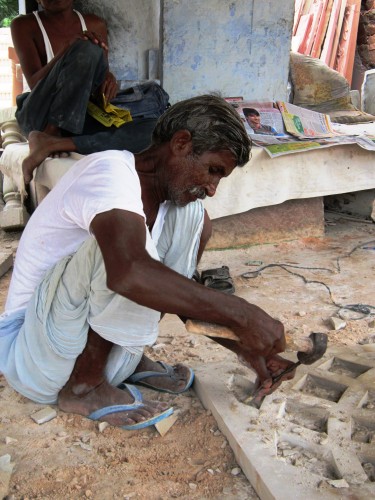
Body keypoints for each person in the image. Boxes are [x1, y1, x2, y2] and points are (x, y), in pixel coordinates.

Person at [0, 95, 294, 430]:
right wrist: (243, 314)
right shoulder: (109, 173)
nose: (213, 188)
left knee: (194, 219)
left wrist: (247, 349)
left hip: (87, 354)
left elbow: (176, 293)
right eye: (213, 170)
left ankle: (121, 363)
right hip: (34, 356)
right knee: (125, 255)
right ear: (181, 143)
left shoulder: (175, 205)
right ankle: (85, 387)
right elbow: (130, 273)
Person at [11, 0, 158, 184]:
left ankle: (53, 143)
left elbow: (95, 79)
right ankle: (51, 133)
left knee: (155, 130)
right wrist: (65, 51)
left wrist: (107, 80)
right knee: (86, 49)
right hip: (39, 116)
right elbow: (34, 84)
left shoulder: (95, 24)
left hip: (77, 119)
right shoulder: (24, 25)